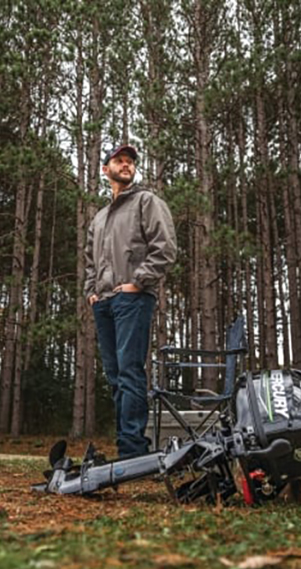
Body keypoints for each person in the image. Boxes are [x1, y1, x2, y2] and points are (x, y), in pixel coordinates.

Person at [85, 144, 177, 459]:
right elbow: (89, 260)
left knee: (130, 372)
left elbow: (165, 249)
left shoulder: (146, 202)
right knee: (115, 377)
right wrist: (92, 292)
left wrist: (136, 283)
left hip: (133, 300)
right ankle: (127, 444)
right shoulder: (98, 218)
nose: (126, 165)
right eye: (119, 161)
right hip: (104, 303)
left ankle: (133, 450)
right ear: (105, 169)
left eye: (130, 161)